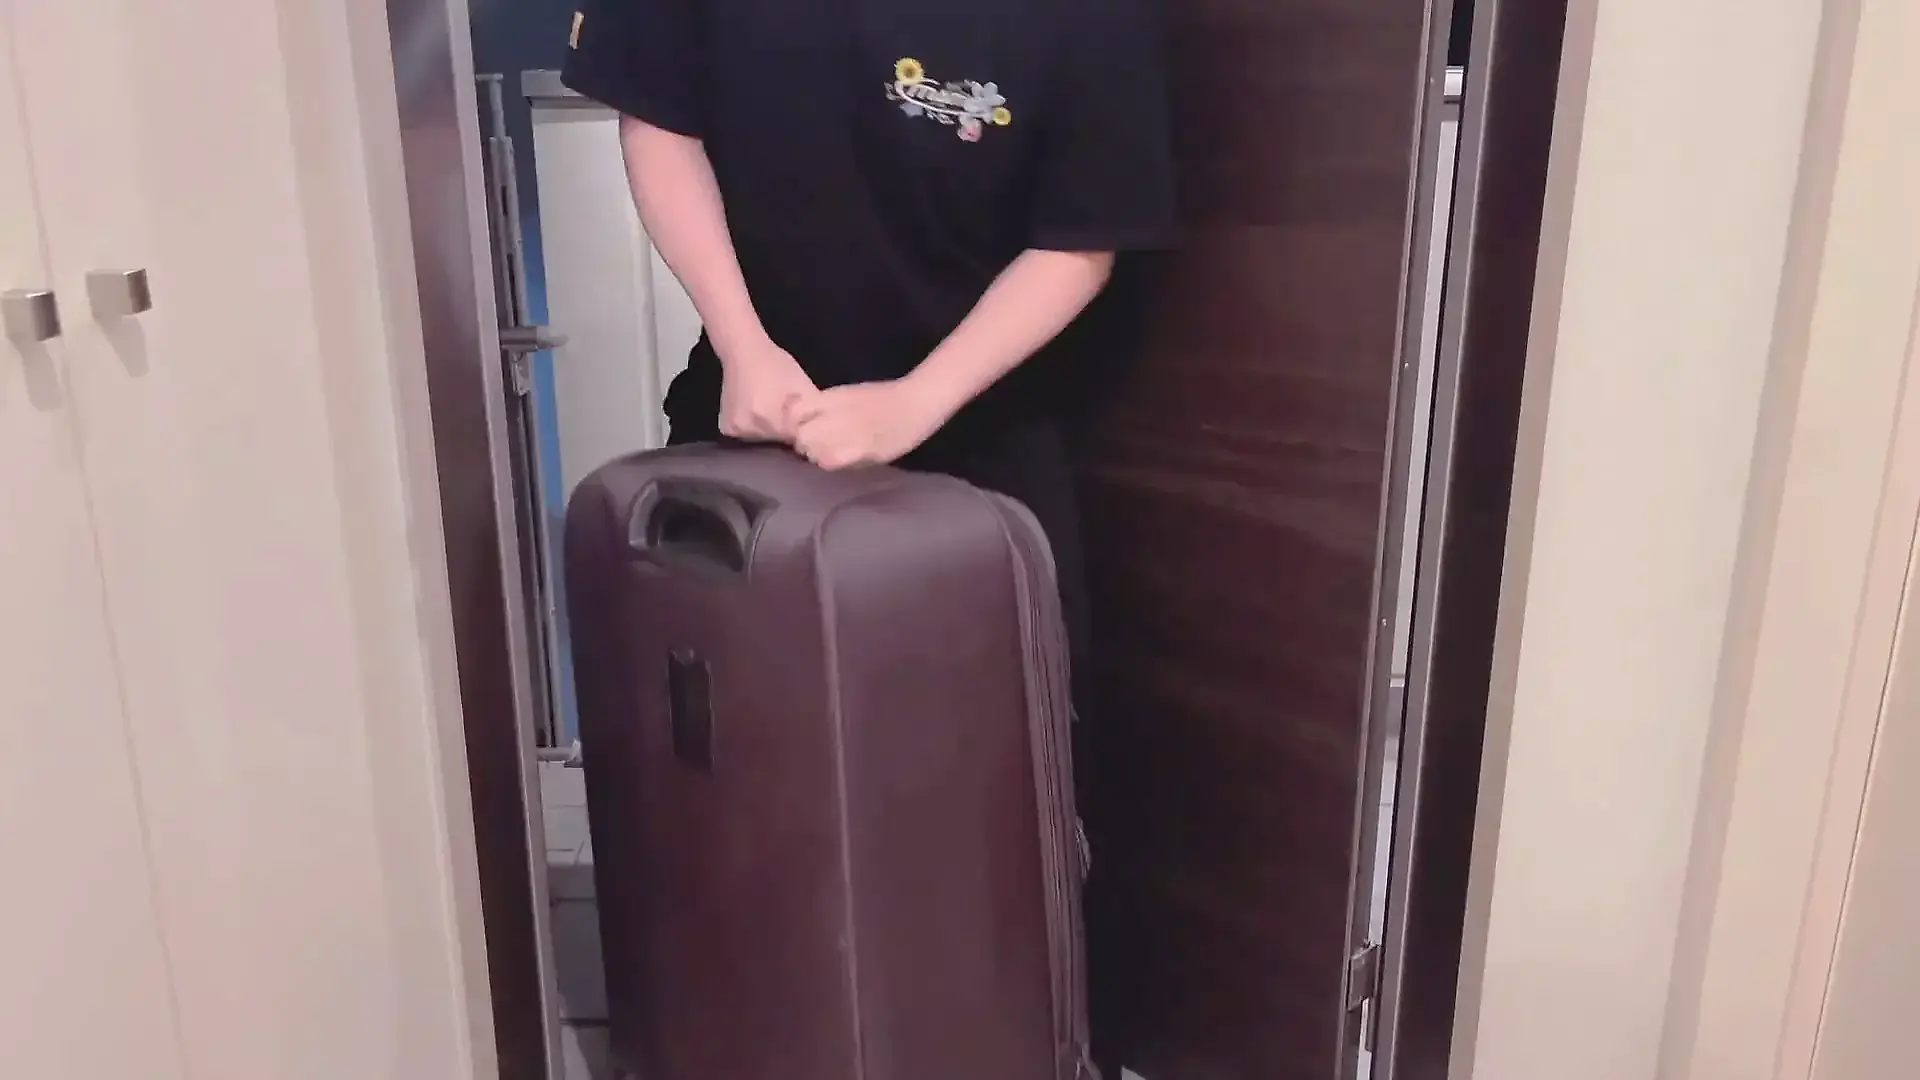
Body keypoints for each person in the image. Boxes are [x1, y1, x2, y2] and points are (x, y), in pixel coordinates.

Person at [559, 0, 1174, 731]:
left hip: (980, 439)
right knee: (736, 745)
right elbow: (658, 120)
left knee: (985, 751)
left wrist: (918, 399)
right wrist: (743, 346)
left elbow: (1080, 242)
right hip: (753, 423)